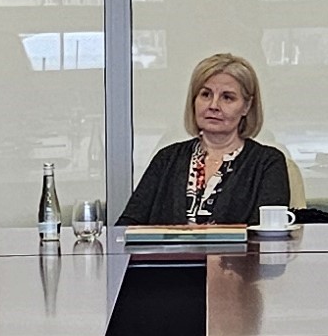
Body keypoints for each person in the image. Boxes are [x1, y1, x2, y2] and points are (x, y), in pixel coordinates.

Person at [117, 52, 293, 226]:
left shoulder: (267, 163)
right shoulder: (167, 159)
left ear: (246, 106)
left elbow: (268, 233)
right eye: (206, 95)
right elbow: (126, 226)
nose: (213, 106)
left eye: (227, 97)